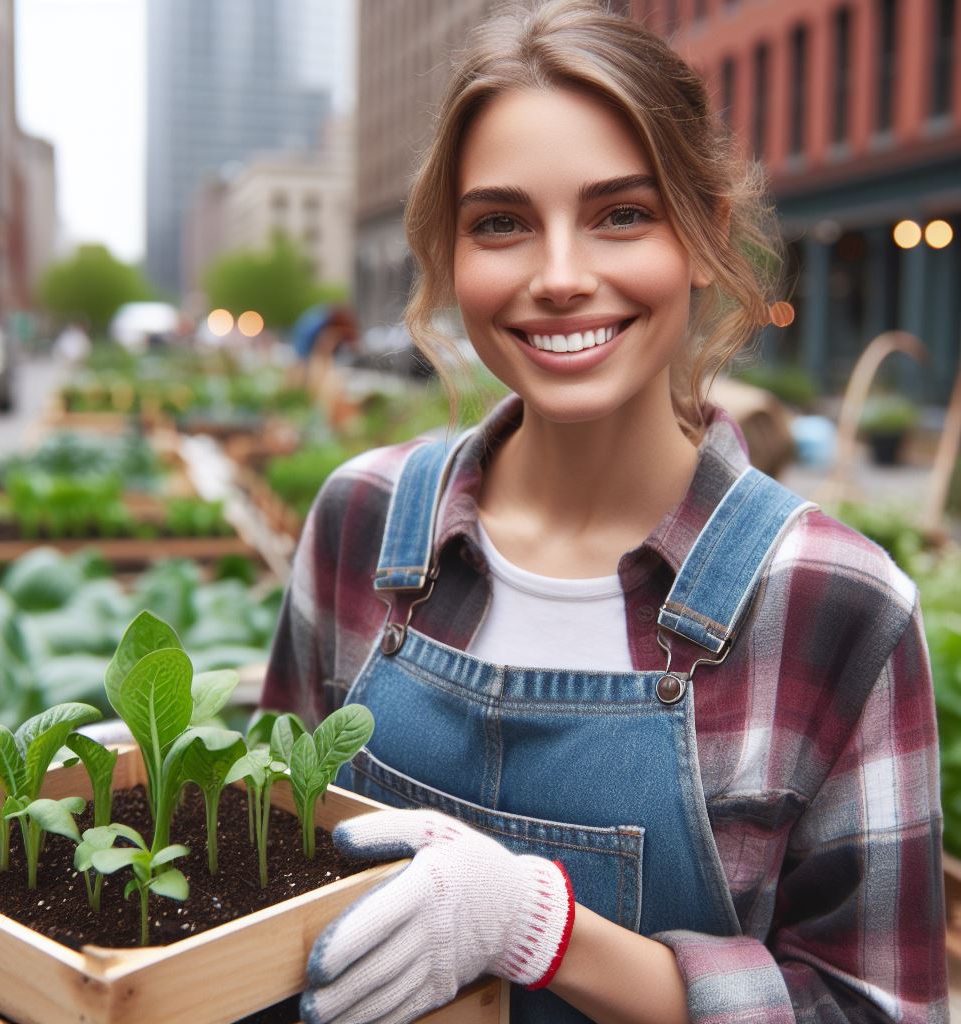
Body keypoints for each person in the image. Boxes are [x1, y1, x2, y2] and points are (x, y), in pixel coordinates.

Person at [260, 2, 947, 1022]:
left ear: (704, 236)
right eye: (500, 222)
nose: (561, 276)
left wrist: (541, 929)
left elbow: (873, 1007)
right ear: (449, 254)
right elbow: (271, 864)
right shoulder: (362, 520)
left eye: (621, 213)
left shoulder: (833, 603)